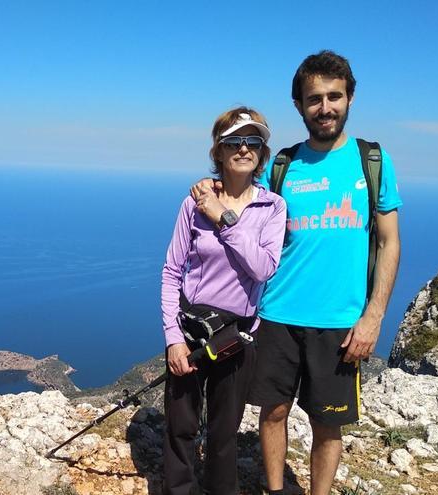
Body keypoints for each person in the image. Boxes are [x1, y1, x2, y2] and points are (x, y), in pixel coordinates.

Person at [191, 51, 402, 495]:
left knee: (328, 426)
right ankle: (275, 490)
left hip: (341, 323)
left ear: (350, 98)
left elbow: (388, 242)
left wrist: (374, 316)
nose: (325, 108)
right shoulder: (281, 165)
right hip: (277, 315)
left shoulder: (373, 161)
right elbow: (240, 187)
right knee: (272, 412)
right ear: (299, 105)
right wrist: (210, 187)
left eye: (334, 97)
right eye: (314, 99)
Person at [162, 107, 287, 495]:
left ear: (262, 153)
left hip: (237, 335)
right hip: (191, 328)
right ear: (218, 151)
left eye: (253, 141)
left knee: (224, 433)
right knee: (180, 428)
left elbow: (263, 268)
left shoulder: (272, 208)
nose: (243, 148)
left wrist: (223, 217)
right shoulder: (192, 205)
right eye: (234, 141)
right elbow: (171, 272)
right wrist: (172, 338)